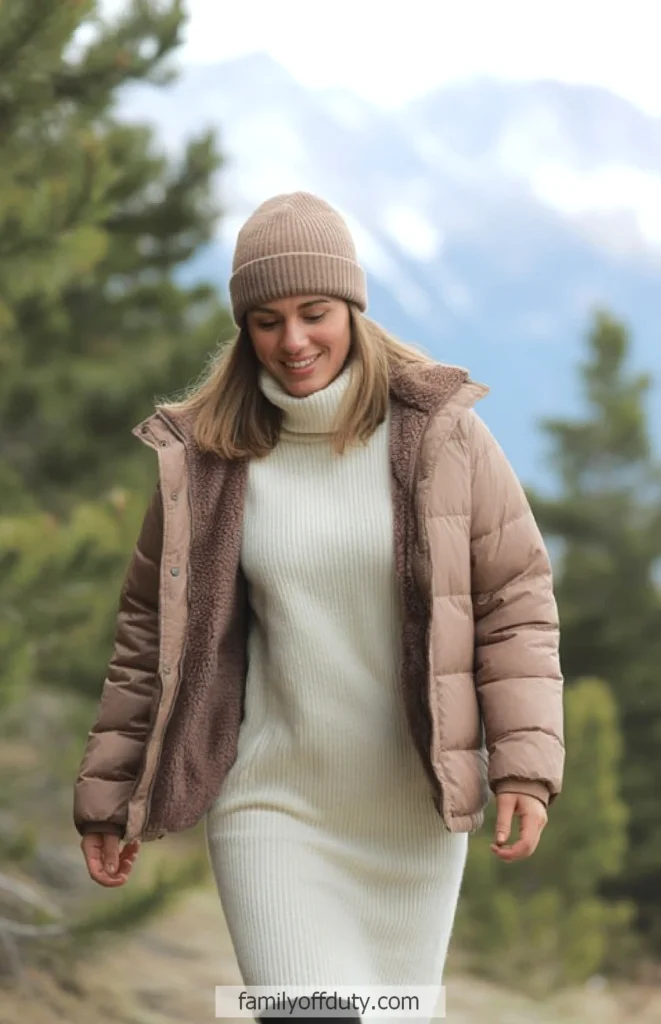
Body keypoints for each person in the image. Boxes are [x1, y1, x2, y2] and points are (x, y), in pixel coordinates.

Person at [74, 192, 564, 1022]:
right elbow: (146, 639)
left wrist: (523, 765)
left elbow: (514, 601)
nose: (293, 341)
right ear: (243, 329)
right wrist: (108, 794)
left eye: (314, 312)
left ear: (353, 308)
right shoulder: (207, 461)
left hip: (410, 813)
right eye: (266, 320)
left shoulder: (441, 436)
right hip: (271, 805)